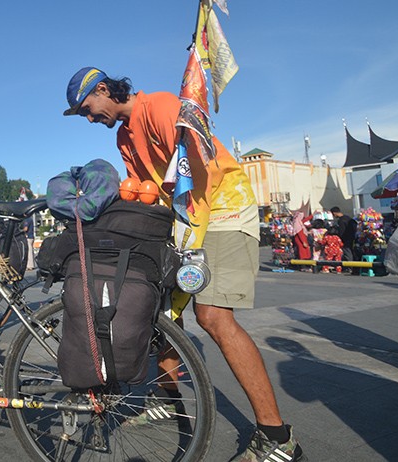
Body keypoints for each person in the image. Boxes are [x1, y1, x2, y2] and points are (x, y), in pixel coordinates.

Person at [63, 67, 305, 461]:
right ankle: (165, 401)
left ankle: (277, 439)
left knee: (213, 317)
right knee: (152, 309)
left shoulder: (158, 106)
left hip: (223, 208)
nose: (90, 119)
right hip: (187, 221)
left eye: (87, 109)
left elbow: (197, 160)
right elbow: (142, 192)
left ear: (103, 89)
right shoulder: (125, 137)